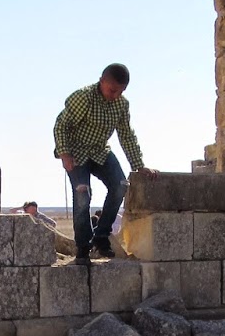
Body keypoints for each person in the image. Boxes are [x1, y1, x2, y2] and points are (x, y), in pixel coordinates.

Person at [52, 63, 156, 263]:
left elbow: (126, 135)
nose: (115, 95)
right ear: (102, 81)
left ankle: (101, 237)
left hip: (100, 151)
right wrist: (64, 154)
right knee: (83, 192)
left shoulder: (121, 105)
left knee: (120, 185)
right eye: (112, 90)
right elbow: (61, 125)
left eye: (121, 91)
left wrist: (139, 164)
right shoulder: (83, 97)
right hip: (76, 151)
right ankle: (83, 247)